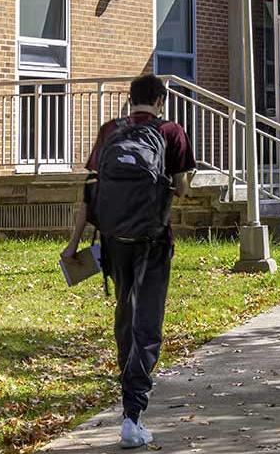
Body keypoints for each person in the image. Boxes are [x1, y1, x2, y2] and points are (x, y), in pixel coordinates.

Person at [63, 74, 195, 449]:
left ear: (130, 100)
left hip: (113, 240)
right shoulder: (171, 131)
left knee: (125, 314)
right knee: (147, 322)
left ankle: (129, 403)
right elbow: (182, 188)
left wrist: (72, 245)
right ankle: (133, 415)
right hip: (153, 240)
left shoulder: (109, 131)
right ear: (159, 101)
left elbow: (88, 192)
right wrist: (176, 186)